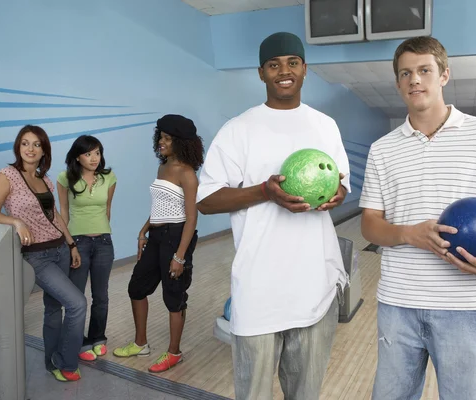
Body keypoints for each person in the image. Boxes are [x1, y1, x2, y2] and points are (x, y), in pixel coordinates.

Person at [359, 36, 476, 400]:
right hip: (398, 303)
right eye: (405, 73)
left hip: (467, 306)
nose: (414, 80)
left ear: (444, 75)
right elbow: (369, 224)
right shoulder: (382, 149)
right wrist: (409, 234)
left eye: (424, 70)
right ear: (397, 83)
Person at [196, 32, 351, 399]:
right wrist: (265, 192)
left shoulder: (325, 126)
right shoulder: (239, 129)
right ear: (261, 73)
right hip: (258, 289)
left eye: (292, 63)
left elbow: (341, 184)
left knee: (305, 394)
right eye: (274, 65)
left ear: (304, 69)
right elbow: (206, 200)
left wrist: (337, 195)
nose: (284, 71)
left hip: (316, 286)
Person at [0, 125, 87, 382]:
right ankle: (66, 362)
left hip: (60, 250)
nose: (30, 149)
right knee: (77, 303)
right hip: (36, 257)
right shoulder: (6, 175)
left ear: (44, 151)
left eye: (36, 144)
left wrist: (71, 244)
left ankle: (51, 360)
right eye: (25, 143)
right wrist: (16, 222)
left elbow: (53, 216)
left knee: (54, 309)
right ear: (18, 147)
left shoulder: (44, 179)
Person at [113, 114, 204, 374]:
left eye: (167, 139)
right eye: (160, 137)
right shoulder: (162, 167)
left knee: (173, 297)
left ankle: (174, 352)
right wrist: (144, 231)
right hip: (156, 236)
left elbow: (191, 217)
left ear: (181, 142)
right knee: (137, 287)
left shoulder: (187, 174)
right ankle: (141, 343)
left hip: (177, 237)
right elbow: (160, 207)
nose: (161, 142)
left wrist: (180, 257)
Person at [56, 135, 117, 361]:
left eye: (97, 153)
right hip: (77, 243)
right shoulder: (65, 178)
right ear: (77, 156)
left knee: (101, 296)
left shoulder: (109, 177)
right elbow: (63, 213)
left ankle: (97, 338)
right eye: (88, 153)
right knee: (76, 297)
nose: (94, 158)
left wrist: (102, 231)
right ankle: (78, 341)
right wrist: (70, 243)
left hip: (103, 242)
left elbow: (107, 209)